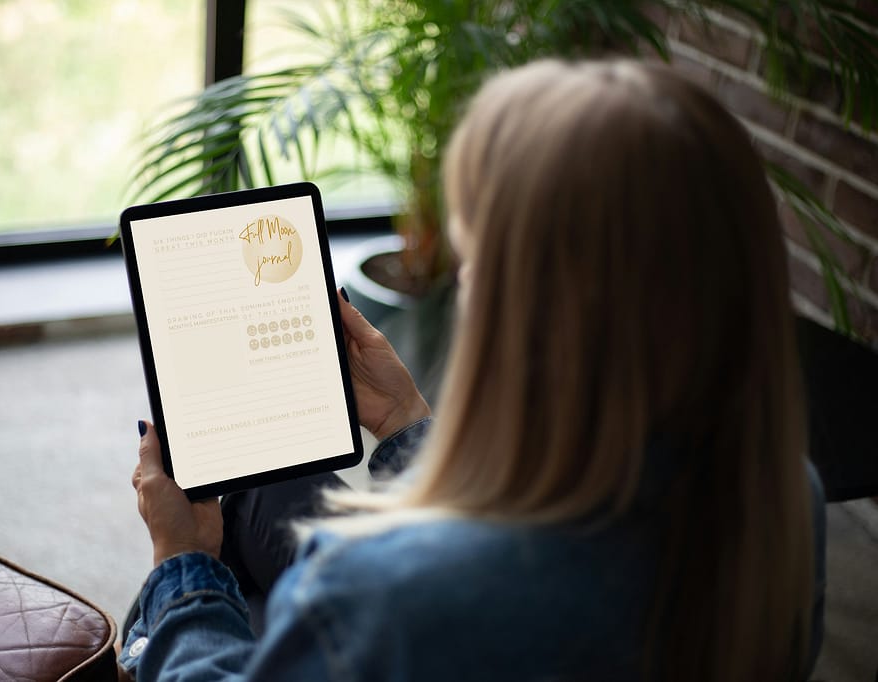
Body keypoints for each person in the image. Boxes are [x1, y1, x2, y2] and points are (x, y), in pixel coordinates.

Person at [120, 59, 826, 681]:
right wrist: (405, 422)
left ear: (530, 303)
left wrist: (181, 568)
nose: (464, 282)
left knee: (184, 587)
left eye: (474, 255)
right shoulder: (780, 500)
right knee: (268, 485)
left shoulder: (373, 592)